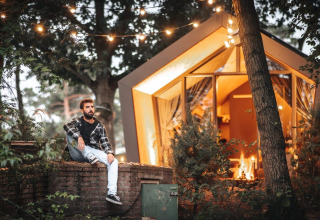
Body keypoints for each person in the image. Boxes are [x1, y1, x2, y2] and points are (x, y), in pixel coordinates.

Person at [63, 98, 122, 205]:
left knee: (114, 162)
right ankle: (88, 154)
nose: (90, 109)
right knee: (70, 133)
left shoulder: (99, 125)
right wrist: (79, 136)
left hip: (93, 152)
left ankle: (112, 194)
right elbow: (67, 126)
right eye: (87, 107)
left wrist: (109, 152)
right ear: (82, 110)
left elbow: (104, 142)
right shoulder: (77, 121)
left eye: (92, 107)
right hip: (78, 153)